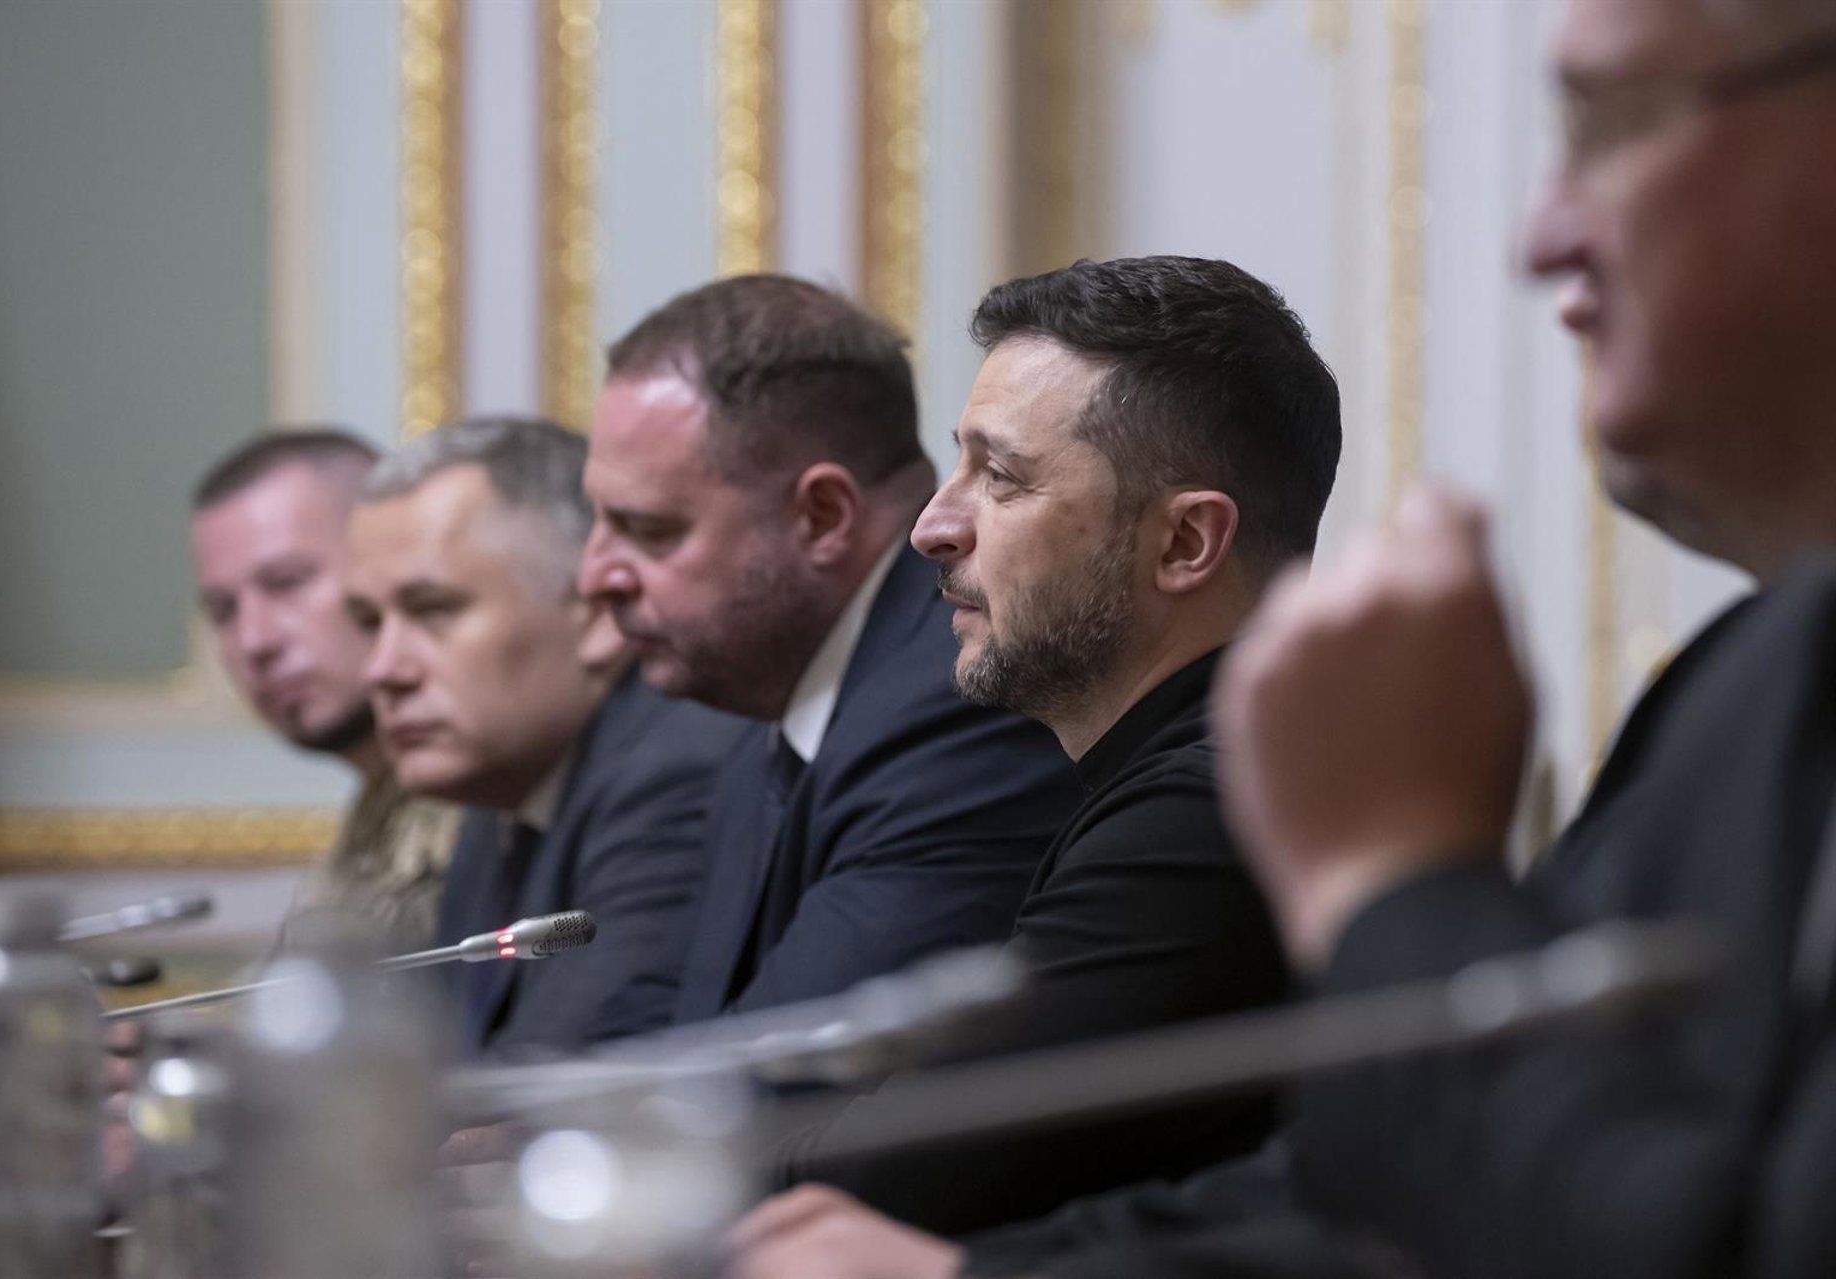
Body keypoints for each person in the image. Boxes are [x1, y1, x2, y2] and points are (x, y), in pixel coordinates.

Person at [729, 0, 1836, 1273]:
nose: (1542, 239)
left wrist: (1394, 878)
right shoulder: (1743, 677)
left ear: (1186, 544)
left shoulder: (1214, 805)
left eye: (1616, 125)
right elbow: (1352, 1198)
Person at [762, 254, 1341, 1238]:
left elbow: (894, 1173)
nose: (934, 527)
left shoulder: (1207, 818)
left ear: (1184, 543)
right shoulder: (1221, 773)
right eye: (958, 463)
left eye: (1000, 477)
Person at [578, 275, 1082, 1024]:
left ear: (822, 516)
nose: (595, 576)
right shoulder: (767, 703)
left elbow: (792, 1067)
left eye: (650, 530)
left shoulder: (961, 699)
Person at [345, 417, 747, 1055]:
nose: (383, 670)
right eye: (370, 622)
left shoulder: (674, 775)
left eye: (434, 609)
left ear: (596, 613)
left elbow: (550, 1084)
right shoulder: (501, 794)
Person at [190, 429, 459, 952]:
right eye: (223, 611)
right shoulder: (367, 831)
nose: (253, 640)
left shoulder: (494, 806)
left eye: (287, 582)